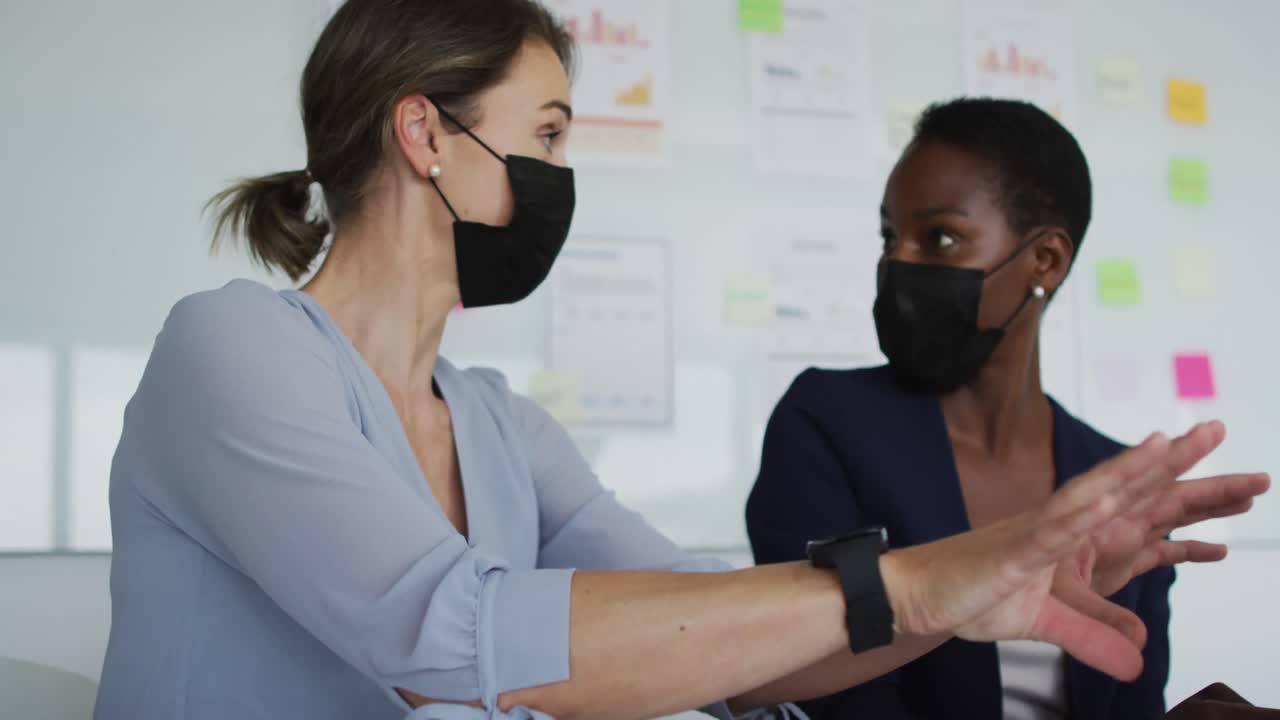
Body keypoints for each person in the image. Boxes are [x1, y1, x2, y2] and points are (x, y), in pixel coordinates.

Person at [93, 3, 1268, 719]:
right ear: (423, 137)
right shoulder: (231, 348)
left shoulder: (498, 424)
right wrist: (904, 585)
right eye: (546, 134)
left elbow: (723, 649)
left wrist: (962, 603)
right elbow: (445, 638)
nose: (561, 171)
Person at [746, 97, 1214, 720]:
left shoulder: (1117, 481)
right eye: (891, 236)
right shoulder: (827, 423)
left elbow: (1131, 692)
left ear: (1044, 260)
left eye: (939, 237)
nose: (897, 262)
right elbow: (839, 692)